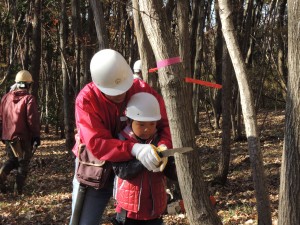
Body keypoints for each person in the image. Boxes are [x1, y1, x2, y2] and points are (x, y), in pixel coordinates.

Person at [70, 49, 172, 225]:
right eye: (113, 92)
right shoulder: (86, 99)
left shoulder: (141, 89)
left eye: (123, 89)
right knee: (84, 221)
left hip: (136, 173)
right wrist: (134, 149)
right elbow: (97, 143)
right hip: (96, 168)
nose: (120, 95)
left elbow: (165, 123)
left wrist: (163, 147)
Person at [112, 92, 176, 225]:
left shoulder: (159, 142)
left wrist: (170, 165)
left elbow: (170, 172)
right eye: (141, 124)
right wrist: (144, 159)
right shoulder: (122, 140)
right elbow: (122, 172)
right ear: (130, 121)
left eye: (152, 124)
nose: (147, 129)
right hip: (128, 213)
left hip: (154, 212)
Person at [0, 70, 41, 195]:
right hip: (23, 138)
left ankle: (2, 173)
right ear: (27, 85)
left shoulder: (5, 97)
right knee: (23, 163)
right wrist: (36, 135)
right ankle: (18, 192)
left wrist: (2, 134)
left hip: (8, 137)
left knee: (12, 160)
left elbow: (1, 117)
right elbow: (32, 120)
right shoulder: (29, 99)